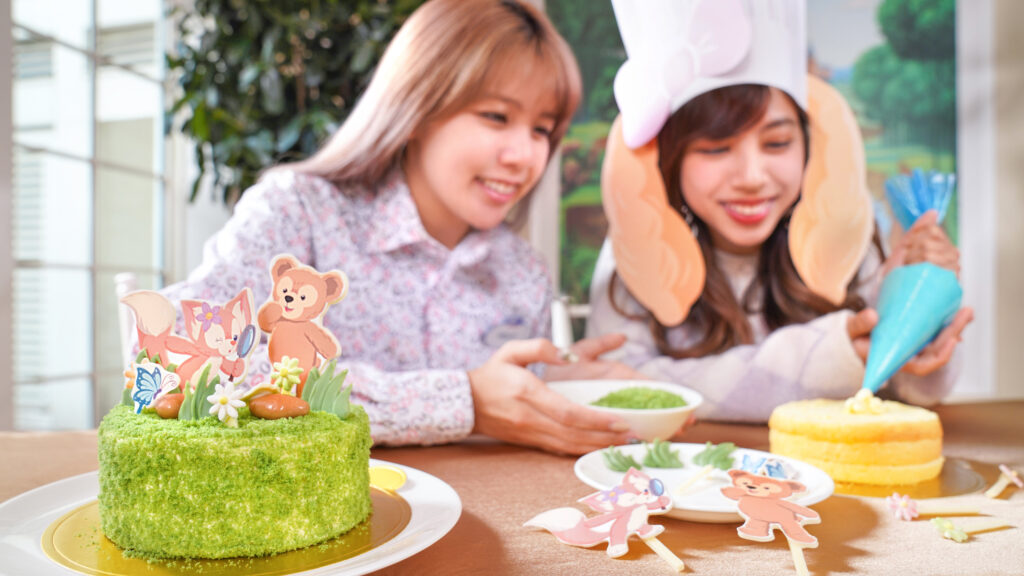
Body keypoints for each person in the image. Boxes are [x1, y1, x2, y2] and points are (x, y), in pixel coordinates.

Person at [159, 0, 639, 454]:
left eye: (541, 130)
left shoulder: (523, 271)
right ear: (417, 108)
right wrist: (460, 401)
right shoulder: (297, 211)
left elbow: (506, 419)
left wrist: (553, 386)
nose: (525, 156)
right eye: (496, 116)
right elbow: (183, 358)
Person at [585, 0, 972, 422]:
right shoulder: (637, 256)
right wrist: (826, 356)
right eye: (716, 148)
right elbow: (618, 386)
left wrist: (913, 309)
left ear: (808, 145)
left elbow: (906, 390)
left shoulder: (844, 243)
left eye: (777, 143)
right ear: (670, 159)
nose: (752, 176)